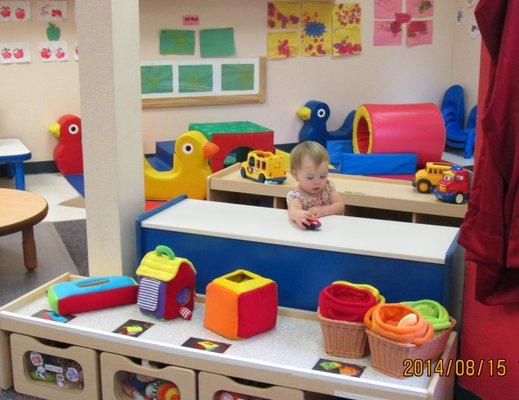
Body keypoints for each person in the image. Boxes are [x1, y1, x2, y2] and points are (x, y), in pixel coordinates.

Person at [287, 141, 345, 229]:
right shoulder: (296, 196)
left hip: (331, 229)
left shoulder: (327, 186)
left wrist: (324, 211)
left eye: (322, 176)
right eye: (310, 177)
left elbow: (341, 206)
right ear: (295, 175)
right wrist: (299, 215)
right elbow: (293, 211)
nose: (317, 182)